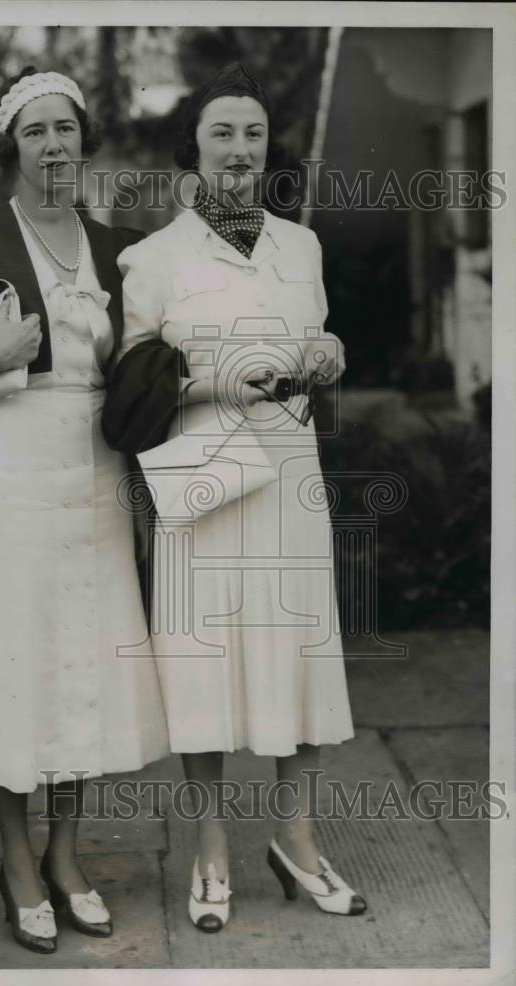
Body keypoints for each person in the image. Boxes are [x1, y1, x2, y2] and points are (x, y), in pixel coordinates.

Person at [0, 67, 169, 954]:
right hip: (9, 466)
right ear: (10, 149)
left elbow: (139, 365)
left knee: (82, 662)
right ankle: (16, 862)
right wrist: (3, 352)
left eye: (65, 129)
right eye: (34, 132)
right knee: (14, 661)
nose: (53, 146)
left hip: (91, 466)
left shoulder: (117, 249)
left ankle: (66, 856)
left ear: (82, 139)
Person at [102, 62, 366, 932]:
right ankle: (209, 856)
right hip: (204, 480)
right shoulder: (152, 257)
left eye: (252, 133)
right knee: (203, 664)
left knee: (298, 655)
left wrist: (325, 351)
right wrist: (215, 378)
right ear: (194, 151)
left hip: (289, 474)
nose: (240, 150)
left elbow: (314, 336)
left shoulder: (301, 245)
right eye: (223, 133)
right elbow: (133, 387)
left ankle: (296, 843)